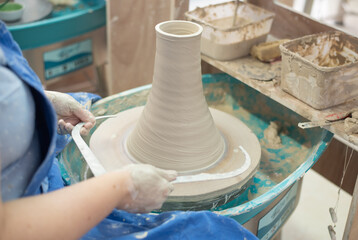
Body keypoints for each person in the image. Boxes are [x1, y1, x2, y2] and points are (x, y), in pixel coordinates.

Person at [0, 20, 258, 240]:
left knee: (89, 103)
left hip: (25, 163)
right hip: (33, 218)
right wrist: (122, 187)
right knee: (210, 232)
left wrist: (39, 103)